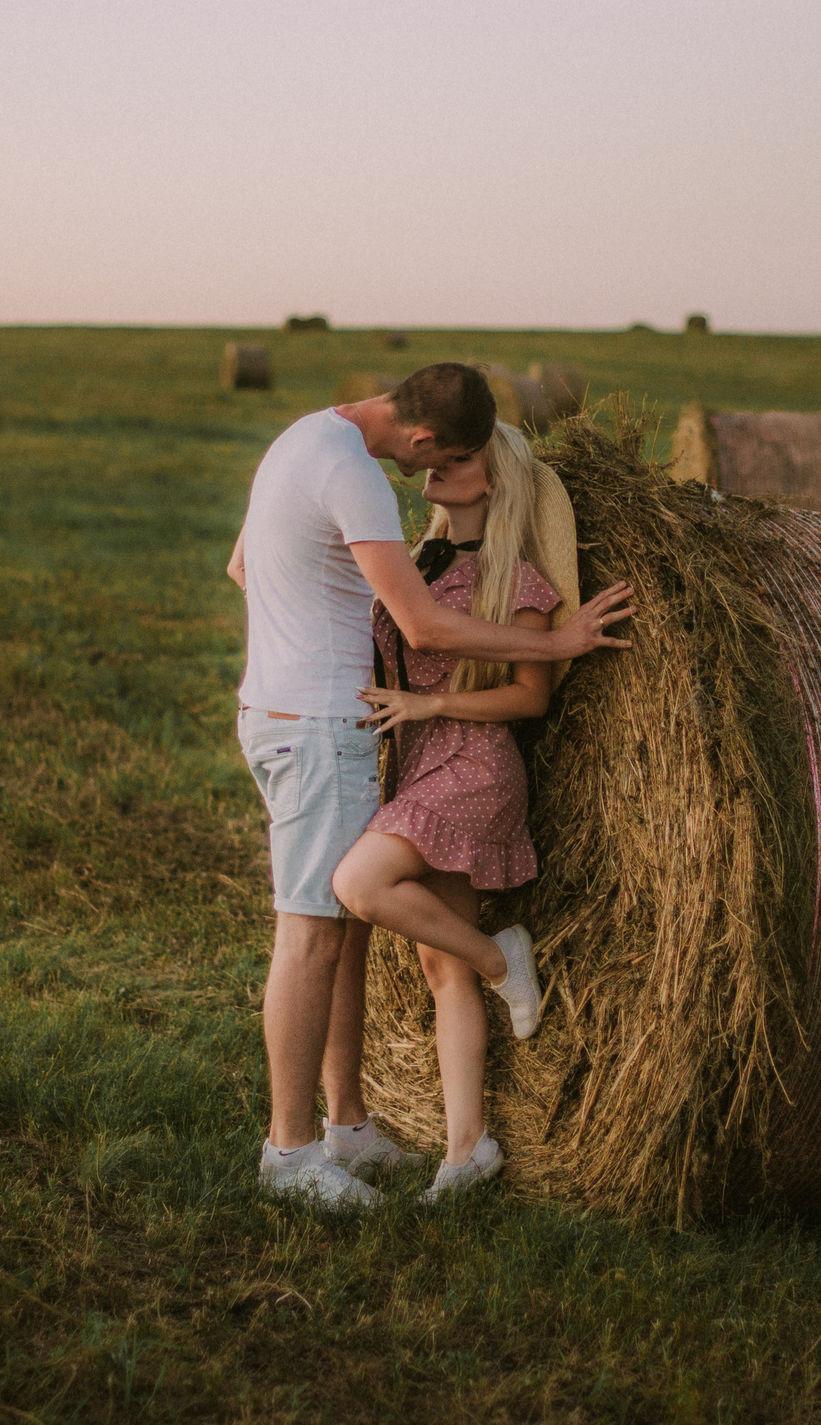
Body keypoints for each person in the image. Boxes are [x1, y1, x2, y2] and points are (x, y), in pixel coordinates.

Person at [226, 363, 634, 1210]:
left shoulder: (300, 440)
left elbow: (243, 566)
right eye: (434, 460)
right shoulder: (357, 476)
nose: (422, 480)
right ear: (419, 439)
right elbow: (417, 622)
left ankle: (357, 1127)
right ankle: (292, 1149)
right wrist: (558, 647)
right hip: (324, 726)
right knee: (316, 926)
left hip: (315, 722)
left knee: (341, 926)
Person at [333, 420, 565, 1202]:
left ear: (494, 480)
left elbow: (530, 696)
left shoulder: (521, 583)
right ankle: (468, 1150)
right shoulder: (414, 562)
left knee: (361, 885)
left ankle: (502, 956)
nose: (434, 465)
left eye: (459, 457)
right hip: (418, 764)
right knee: (439, 960)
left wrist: (428, 699)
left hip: (474, 764)